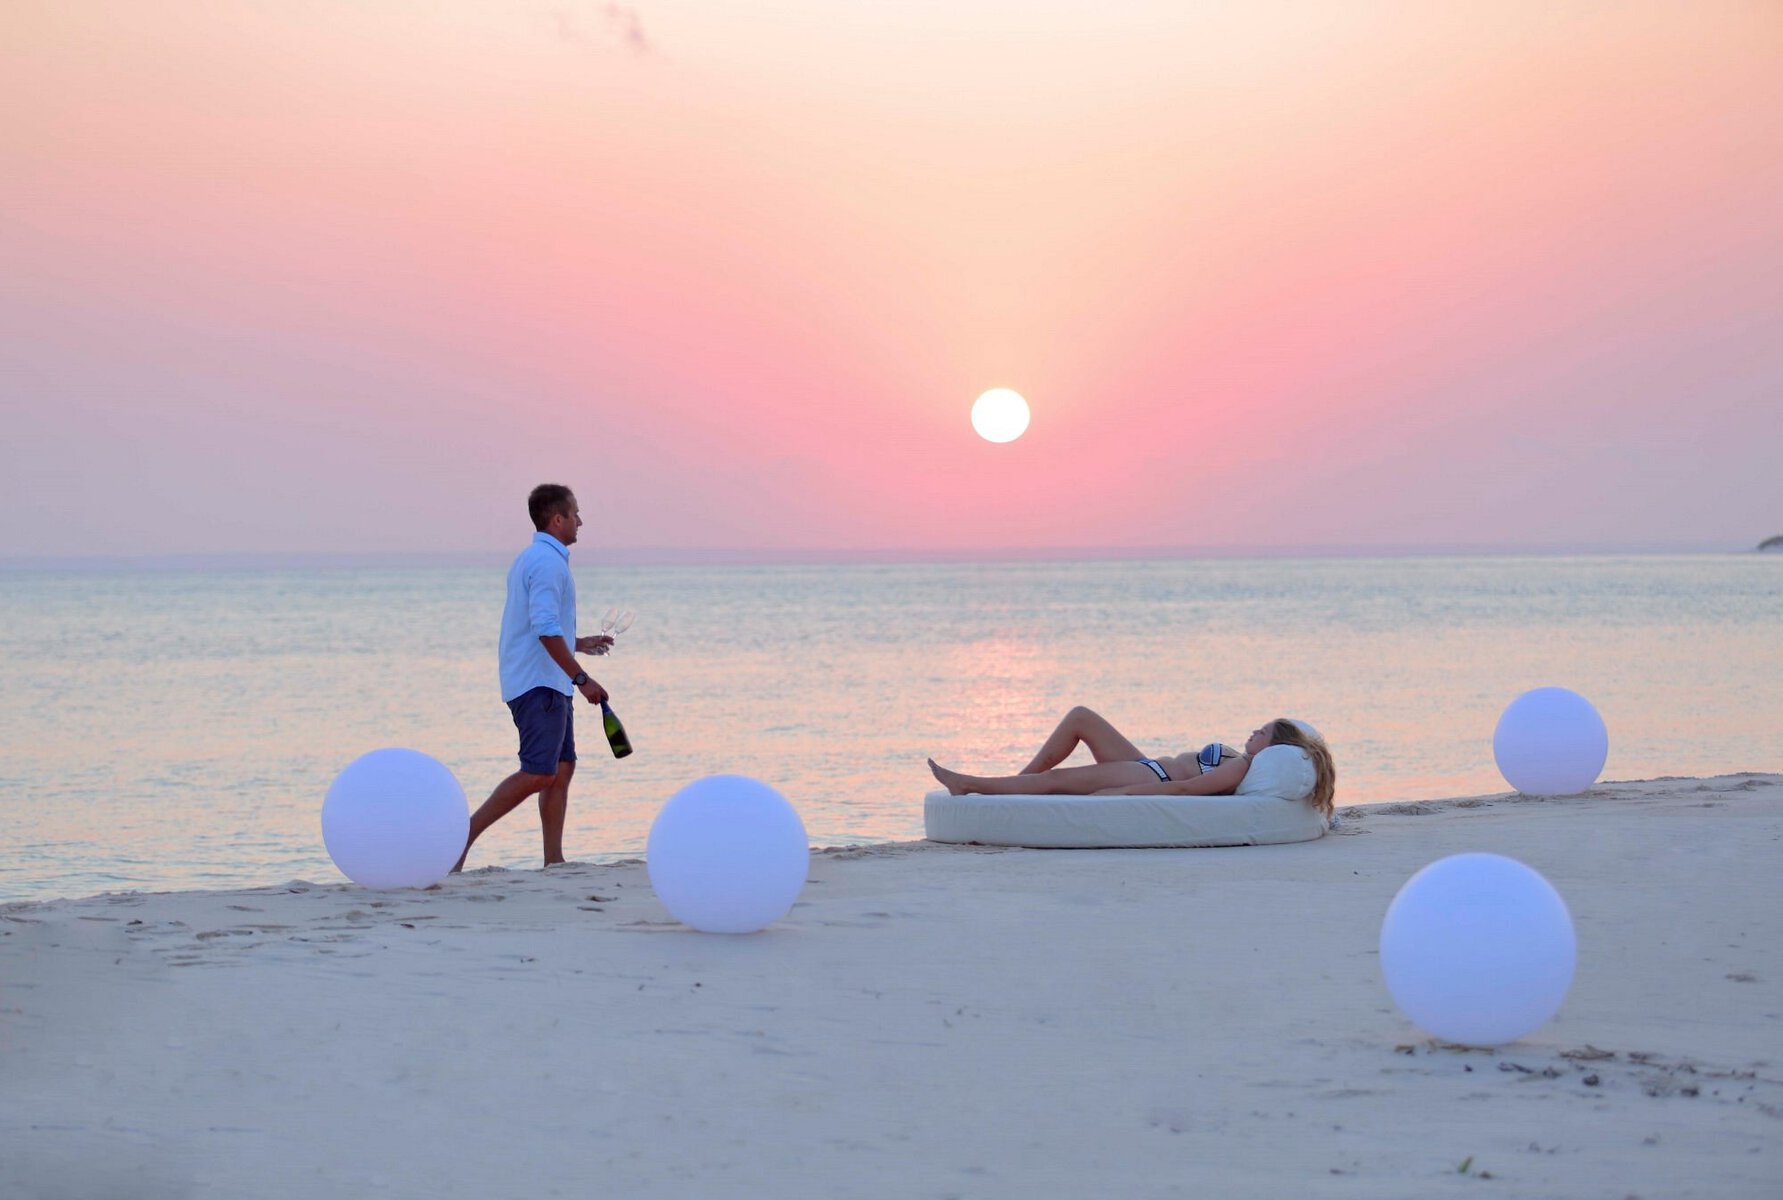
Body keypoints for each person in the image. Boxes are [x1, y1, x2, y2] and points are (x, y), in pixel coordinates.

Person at [455, 484, 615, 872]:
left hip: (550, 681)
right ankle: (459, 839)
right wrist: (582, 679)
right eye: (575, 513)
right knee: (540, 771)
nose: (581, 520)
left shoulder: (538, 559)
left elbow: (542, 627)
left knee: (561, 768)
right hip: (539, 684)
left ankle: (554, 861)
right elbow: (543, 628)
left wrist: (579, 642)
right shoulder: (546, 563)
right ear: (557, 519)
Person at [927, 707, 1336, 817]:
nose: (1252, 733)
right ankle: (1013, 791)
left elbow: (1185, 789)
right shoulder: (1247, 762)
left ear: (1273, 746)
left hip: (1144, 774)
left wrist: (1124, 792)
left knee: (1055, 781)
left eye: (1261, 732)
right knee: (1080, 718)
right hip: (1146, 764)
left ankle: (971, 784)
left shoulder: (1243, 767)